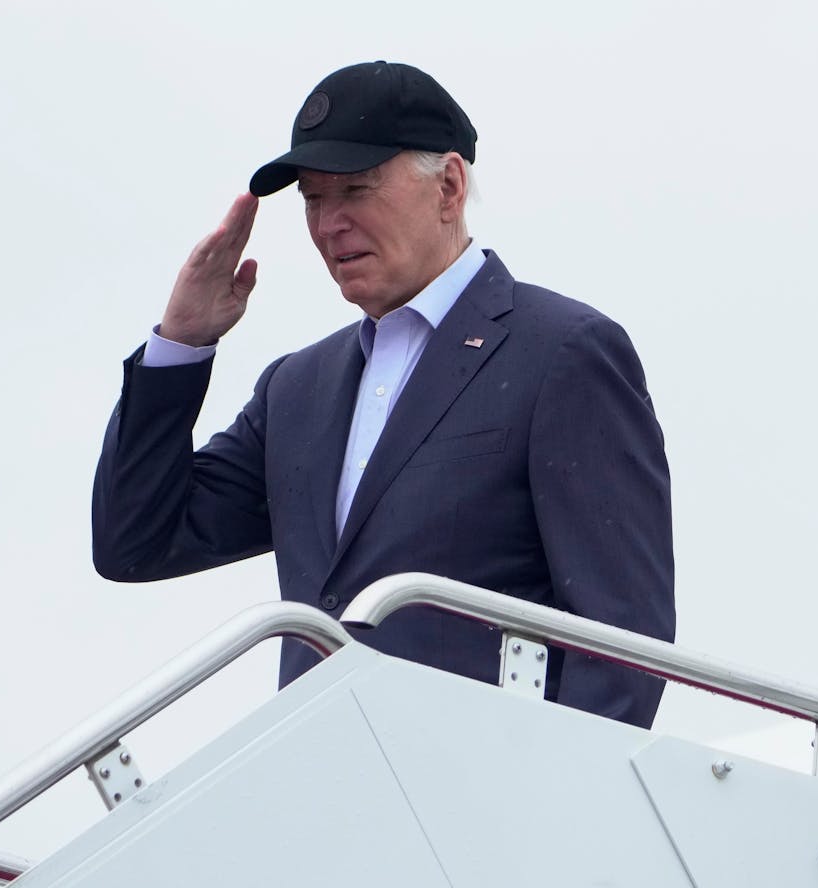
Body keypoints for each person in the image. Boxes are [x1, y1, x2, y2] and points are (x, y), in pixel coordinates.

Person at [92, 61, 675, 728]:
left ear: (449, 186)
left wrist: (543, 812)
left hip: (485, 803)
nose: (330, 223)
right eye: (313, 199)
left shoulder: (563, 352)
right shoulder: (296, 390)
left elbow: (622, 641)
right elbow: (135, 543)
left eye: (357, 189)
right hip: (325, 796)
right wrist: (181, 345)